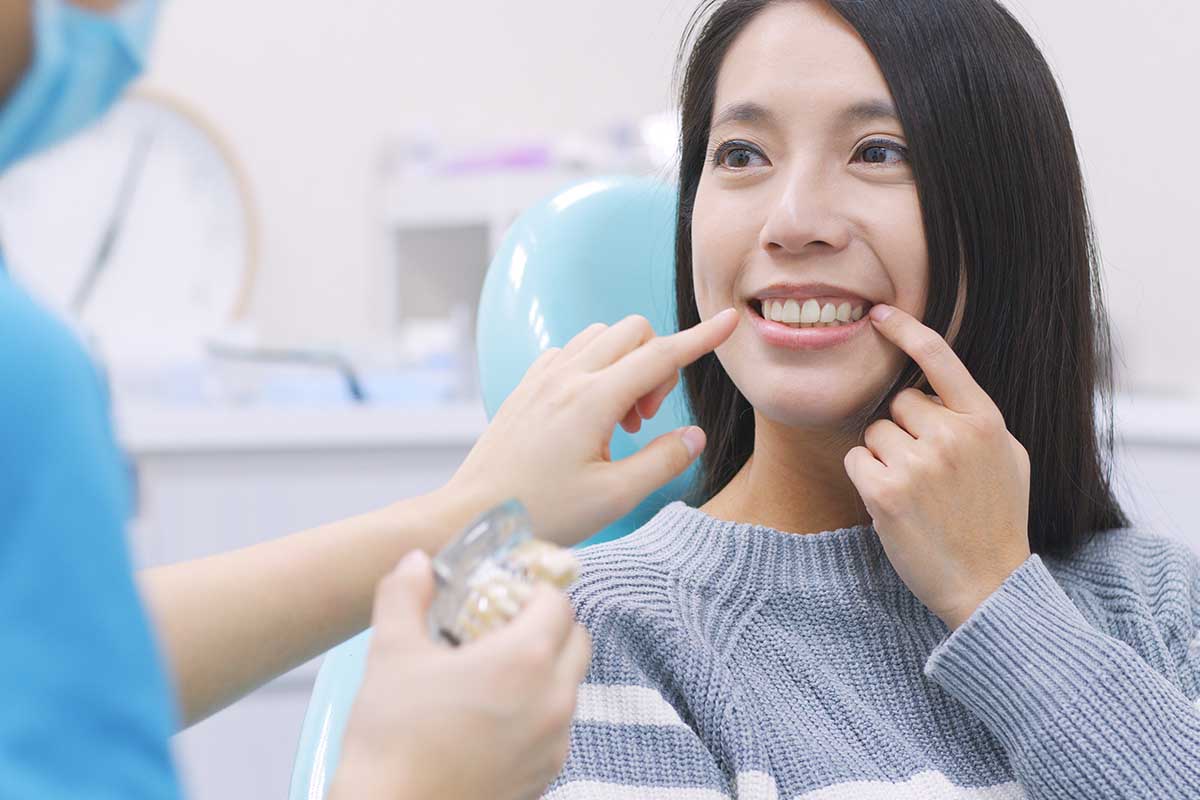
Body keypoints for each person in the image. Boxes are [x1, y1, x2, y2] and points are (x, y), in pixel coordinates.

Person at [0, 0, 740, 797]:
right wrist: (404, 779)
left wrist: (472, 511)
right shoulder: (30, 378)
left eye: (874, 152)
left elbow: (64, 655)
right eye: (740, 155)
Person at [544, 1, 1200, 798]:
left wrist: (1000, 602)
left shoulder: (1157, 600)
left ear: (1010, 216)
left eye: (878, 151)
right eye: (742, 154)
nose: (793, 223)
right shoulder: (608, 632)